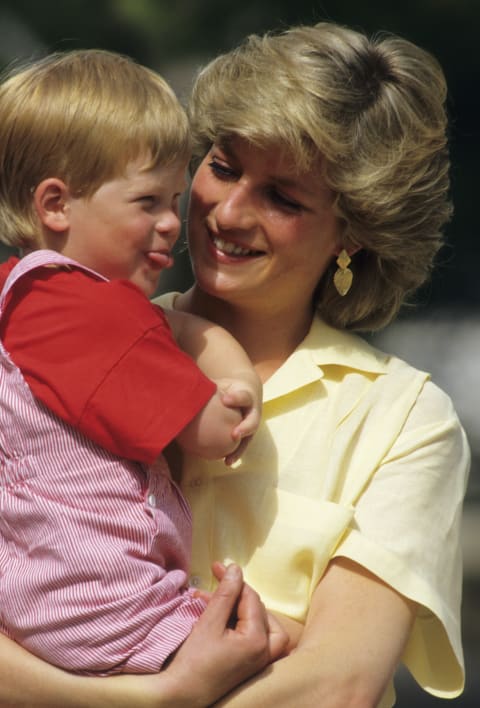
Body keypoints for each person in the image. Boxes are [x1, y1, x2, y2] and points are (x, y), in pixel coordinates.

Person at [0, 21, 470, 708]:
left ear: (354, 232)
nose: (228, 211)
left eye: (283, 197)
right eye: (222, 167)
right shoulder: (44, 341)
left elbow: (337, 687)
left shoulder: (405, 420)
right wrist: (155, 699)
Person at [0, 48, 289, 691]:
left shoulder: (20, 299)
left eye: (175, 199)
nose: (169, 225)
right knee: (273, 647)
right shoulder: (96, 315)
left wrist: (180, 326)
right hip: (108, 610)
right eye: (147, 200)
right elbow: (214, 431)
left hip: (32, 607)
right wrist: (226, 371)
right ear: (56, 204)